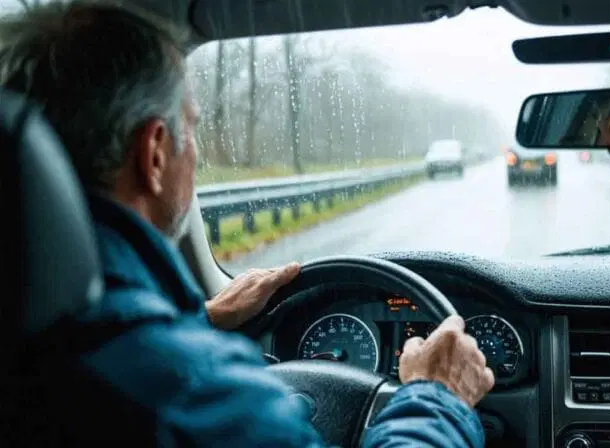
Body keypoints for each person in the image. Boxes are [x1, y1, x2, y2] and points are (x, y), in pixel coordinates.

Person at [0, 1, 495, 447]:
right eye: (190, 130)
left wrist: (200, 320)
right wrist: (437, 401)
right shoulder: (198, 400)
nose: (193, 152)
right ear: (153, 154)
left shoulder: (48, 336)